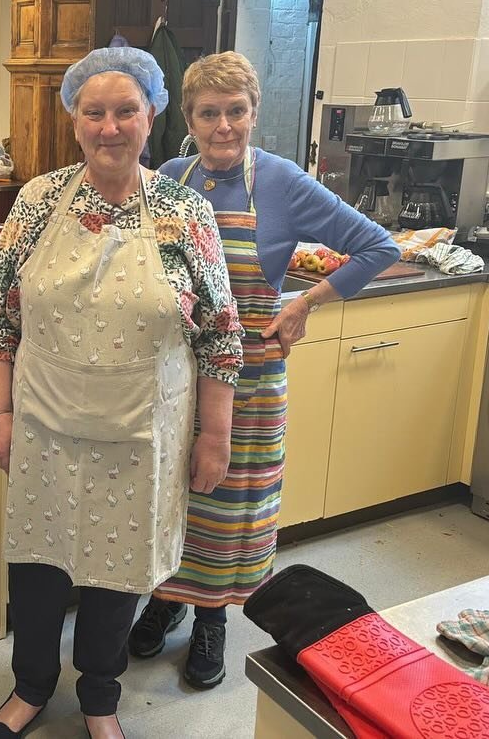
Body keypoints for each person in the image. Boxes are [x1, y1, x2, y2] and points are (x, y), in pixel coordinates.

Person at [0, 47, 243, 739]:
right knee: (38, 566)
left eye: (127, 110)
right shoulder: (38, 200)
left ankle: (99, 697)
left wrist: (216, 437)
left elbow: (220, 335)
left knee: (119, 575)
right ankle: (30, 686)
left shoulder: (186, 212)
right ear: (74, 119)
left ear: (152, 116)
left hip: (143, 434)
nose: (110, 126)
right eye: (95, 112)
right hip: (44, 424)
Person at [132, 51, 401, 689]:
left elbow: (378, 247)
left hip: (251, 374)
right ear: (187, 122)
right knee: (174, 492)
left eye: (237, 111)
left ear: (255, 113)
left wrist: (305, 303)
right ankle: (168, 597)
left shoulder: (280, 181)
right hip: (173, 374)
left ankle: (212, 620)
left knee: (232, 500)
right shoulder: (170, 176)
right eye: (208, 114)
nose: (224, 126)